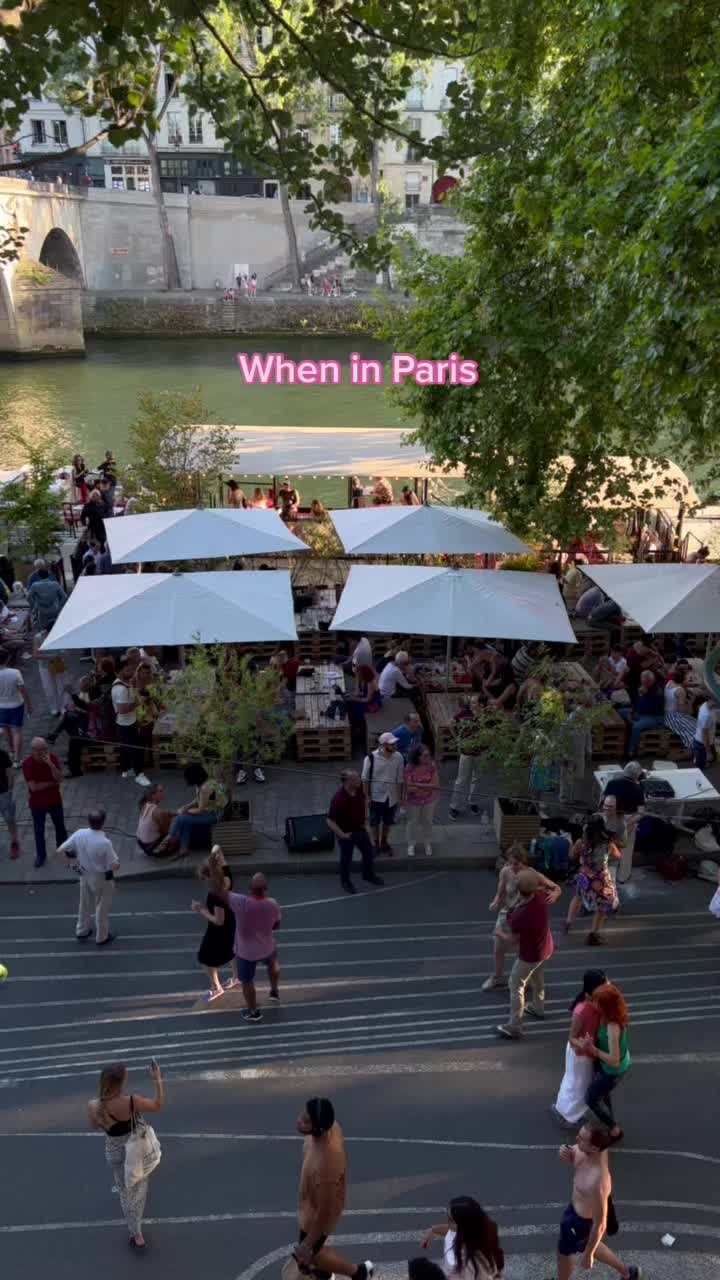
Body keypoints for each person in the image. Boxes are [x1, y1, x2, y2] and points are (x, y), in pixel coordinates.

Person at [88, 1060, 164, 1251]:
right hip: (135, 1151)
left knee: (124, 1189)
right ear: (120, 1083)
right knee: (138, 1188)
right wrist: (157, 1079)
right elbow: (157, 1105)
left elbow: (95, 1125)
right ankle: (137, 1232)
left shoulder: (94, 1105)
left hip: (114, 1151)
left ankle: (134, 1229)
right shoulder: (132, 1101)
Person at [294, 1097, 374, 1280]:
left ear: (319, 1129)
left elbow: (325, 1211)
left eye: (306, 1121)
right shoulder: (331, 1126)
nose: (299, 1120)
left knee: (312, 1256)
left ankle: (359, 1272)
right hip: (310, 1202)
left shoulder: (326, 1165)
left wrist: (308, 1244)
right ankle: (324, 1273)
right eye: (302, 1114)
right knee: (310, 1256)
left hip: (315, 1216)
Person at [555, 1124, 641, 1280]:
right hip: (576, 1213)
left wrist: (588, 1255)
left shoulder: (597, 1182)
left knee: (564, 1253)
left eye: (581, 1139)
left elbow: (600, 1225)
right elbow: (574, 1154)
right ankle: (629, 1273)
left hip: (579, 1222)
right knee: (586, 1242)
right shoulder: (592, 1149)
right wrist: (565, 1152)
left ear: (594, 1148)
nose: (576, 1139)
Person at [496, 868, 562, 1039]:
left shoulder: (520, 916)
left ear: (519, 891)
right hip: (545, 947)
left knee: (515, 985)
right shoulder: (541, 897)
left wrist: (499, 933)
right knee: (538, 978)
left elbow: (512, 939)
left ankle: (515, 1026)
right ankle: (538, 1007)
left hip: (530, 954)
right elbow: (553, 888)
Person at [211, 863, 281, 1022]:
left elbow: (218, 890)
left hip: (246, 953)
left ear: (249, 889)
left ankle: (253, 1012)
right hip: (267, 947)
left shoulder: (241, 902)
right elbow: (276, 926)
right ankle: (274, 992)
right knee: (273, 965)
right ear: (266, 889)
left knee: (247, 981)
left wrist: (213, 865)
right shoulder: (273, 904)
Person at [484, 845, 557, 990]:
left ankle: (524, 980)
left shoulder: (532, 874)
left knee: (522, 950)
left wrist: (555, 894)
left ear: (523, 861)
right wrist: (495, 902)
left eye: (516, 864)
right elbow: (500, 892)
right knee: (498, 948)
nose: (512, 866)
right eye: (510, 862)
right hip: (506, 913)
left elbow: (555, 887)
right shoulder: (505, 871)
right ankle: (497, 977)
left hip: (523, 915)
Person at [552, 969, 607, 1128]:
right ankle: (569, 1115)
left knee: (576, 1083)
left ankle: (565, 1110)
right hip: (580, 1054)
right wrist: (583, 1045)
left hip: (586, 1052)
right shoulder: (581, 1010)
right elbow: (572, 1037)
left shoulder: (597, 1004)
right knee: (578, 1085)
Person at [578, 982, 631, 1143]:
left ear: (606, 1007)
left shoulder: (612, 1027)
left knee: (591, 1098)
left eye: (597, 1002)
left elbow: (614, 1061)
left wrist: (593, 1050)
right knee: (604, 1094)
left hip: (612, 1071)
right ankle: (608, 1120)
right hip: (614, 1065)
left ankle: (614, 1130)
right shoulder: (610, 1016)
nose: (593, 1004)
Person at [58, 808, 119, 945]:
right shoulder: (105, 842)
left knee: (84, 903)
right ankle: (102, 936)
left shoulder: (79, 833)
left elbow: (60, 850)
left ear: (89, 822)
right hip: (101, 877)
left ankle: (82, 930)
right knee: (102, 906)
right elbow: (114, 865)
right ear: (103, 822)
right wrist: (116, 865)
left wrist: (71, 866)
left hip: (84, 873)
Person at [565, 815, 620, 946]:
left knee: (578, 897)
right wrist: (606, 856)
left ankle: (568, 923)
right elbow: (618, 856)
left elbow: (571, 856)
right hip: (601, 879)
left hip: (584, 877)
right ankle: (593, 935)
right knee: (603, 905)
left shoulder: (581, 842)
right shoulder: (607, 843)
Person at [192, 847, 238, 999]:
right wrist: (215, 853)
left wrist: (200, 909)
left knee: (205, 958)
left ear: (208, 877)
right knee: (232, 951)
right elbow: (221, 854)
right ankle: (237, 976)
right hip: (232, 921)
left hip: (219, 931)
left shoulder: (215, 894)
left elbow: (218, 920)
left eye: (204, 878)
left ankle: (216, 987)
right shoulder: (227, 877)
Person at [420, 1196, 504, 1280]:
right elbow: (453, 1231)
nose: (447, 1223)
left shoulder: (473, 1265)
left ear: (464, 1226)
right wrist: (433, 1230)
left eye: (451, 1220)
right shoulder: (478, 1233)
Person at [327, 769, 383, 892]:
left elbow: (365, 800)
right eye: (356, 779)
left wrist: (366, 819)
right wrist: (342, 835)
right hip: (347, 833)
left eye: (358, 777)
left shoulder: (359, 789)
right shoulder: (338, 799)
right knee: (346, 859)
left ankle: (368, 875)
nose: (359, 780)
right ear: (347, 782)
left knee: (368, 853)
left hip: (360, 829)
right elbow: (330, 821)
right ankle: (345, 882)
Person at [157, 764, 225, 856]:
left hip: (215, 815)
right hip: (209, 811)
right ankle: (183, 849)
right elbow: (198, 799)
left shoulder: (206, 788)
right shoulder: (205, 783)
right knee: (185, 820)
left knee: (179, 819)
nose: (186, 780)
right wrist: (187, 806)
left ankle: (166, 841)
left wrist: (185, 812)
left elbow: (200, 810)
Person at [22, 736, 67, 868]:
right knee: (39, 830)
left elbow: (60, 778)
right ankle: (41, 855)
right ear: (33, 751)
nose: (43, 752)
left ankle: (62, 849)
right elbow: (34, 787)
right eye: (40, 750)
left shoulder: (52, 759)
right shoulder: (27, 764)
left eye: (45, 749)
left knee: (60, 827)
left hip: (54, 800)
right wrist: (52, 783)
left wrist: (51, 765)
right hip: (37, 804)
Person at [362, 731, 405, 855]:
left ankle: (384, 841)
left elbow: (400, 779)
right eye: (392, 744)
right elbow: (365, 779)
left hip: (391, 796)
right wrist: (367, 797)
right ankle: (376, 843)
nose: (395, 746)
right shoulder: (370, 758)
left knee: (388, 821)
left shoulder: (399, 757)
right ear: (383, 745)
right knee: (374, 822)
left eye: (395, 743)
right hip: (376, 796)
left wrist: (400, 797)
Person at [111, 658, 151, 786]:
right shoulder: (121, 689)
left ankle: (127, 770)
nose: (131, 672)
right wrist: (138, 703)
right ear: (119, 672)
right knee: (137, 750)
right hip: (126, 724)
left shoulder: (124, 684)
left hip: (126, 722)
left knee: (126, 748)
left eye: (130, 669)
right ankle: (139, 775)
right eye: (127, 670)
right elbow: (122, 709)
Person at [449, 696, 484, 819]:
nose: (471, 704)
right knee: (461, 779)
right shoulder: (464, 714)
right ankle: (454, 806)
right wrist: (458, 740)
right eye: (471, 702)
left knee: (477, 778)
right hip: (466, 751)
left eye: (474, 702)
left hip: (480, 752)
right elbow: (451, 723)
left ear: (481, 705)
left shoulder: (486, 716)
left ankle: (473, 801)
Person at [404, 744, 439, 856]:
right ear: (418, 757)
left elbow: (435, 785)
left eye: (429, 755)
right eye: (425, 755)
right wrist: (426, 787)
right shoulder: (409, 767)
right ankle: (411, 844)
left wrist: (418, 785)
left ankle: (427, 843)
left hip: (429, 800)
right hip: (413, 801)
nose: (428, 758)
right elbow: (409, 788)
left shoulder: (432, 766)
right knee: (412, 822)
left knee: (428, 821)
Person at [0, 647, 32, 764]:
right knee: (16, 731)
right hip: (16, 705)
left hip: (1, 706)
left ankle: (12, 751)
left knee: (6, 730)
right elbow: (23, 690)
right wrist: (29, 704)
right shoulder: (15, 672)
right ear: (7, 659)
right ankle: (17, 759)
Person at [626, 671, 665, 754]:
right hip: (641, 714)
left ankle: (631, 750)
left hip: (654, 717)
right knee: (622, 711)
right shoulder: (642, 687)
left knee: (636, 727)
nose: (643, 683)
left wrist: (642, 695)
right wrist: (632, 711)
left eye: (645, 681)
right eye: (642, 680)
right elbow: (635, 702)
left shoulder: (657, 692)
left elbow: (648, 708)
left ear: (650, 681)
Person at [664, 665, 698, 755]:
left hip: (667, 715)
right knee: (696, 730)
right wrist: (691, 702)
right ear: (683, 680)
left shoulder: (670, 682)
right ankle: (692, 750)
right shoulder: (680, 691)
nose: (689, 680)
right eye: (687, 678)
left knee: (697, 724)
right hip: (675, 718)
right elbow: (682, 711)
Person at [136, 783, 173, 855]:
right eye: (160, 791)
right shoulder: (159, 812)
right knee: (177, 829)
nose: (163, 793)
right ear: (153, 795)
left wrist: (169, 814)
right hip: (152, 847)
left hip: (141, 843)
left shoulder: (144, 804)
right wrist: (169, 821)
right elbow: (165, 832)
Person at [27, 568, 66, 633]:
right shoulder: (55, 584)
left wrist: (34, 606)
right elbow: (64, 597)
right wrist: (59, 607)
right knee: (56, 630)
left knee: (43, 631)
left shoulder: (35, 585)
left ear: (39, 576)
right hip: (54, 610)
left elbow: (28, 597)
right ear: (48, 575)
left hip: (42, 612)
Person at [0, 742, 20, 858]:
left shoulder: (2, 754)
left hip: (3, 793)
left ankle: (14, 842)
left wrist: (10, 790)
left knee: (9, 819)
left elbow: (10, 773)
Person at [694, 696, 718, 769]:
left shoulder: (706, 705)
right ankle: (699, 760)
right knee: (701, 767)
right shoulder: (705, 715)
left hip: (708, 741)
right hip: (702, 743)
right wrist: (708, 752)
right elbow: (704, 734)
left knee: (712, 760)